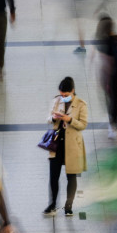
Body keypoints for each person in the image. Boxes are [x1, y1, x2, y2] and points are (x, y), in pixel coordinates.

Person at [43, 77, 88, 216]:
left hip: (73, 144)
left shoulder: (81, 104)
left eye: (66, 95)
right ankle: (52, 204)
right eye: (62, 95)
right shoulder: (56, 100)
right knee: (53, 176)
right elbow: (48, 119)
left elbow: (83, 125)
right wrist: (55, 118)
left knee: (71, 176)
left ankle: (68, 206)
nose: (63, 98)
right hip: (57, 143)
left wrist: (70, 120)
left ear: (73, 91)